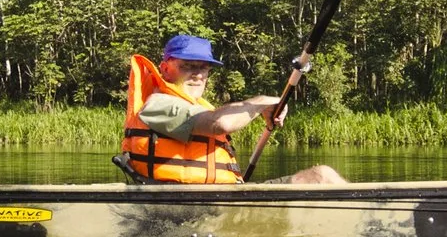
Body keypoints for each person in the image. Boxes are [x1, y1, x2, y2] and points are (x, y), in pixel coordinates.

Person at [120, 34, 346, 185]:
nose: (197, 74)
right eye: (187, 66)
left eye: (204, 68)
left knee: (322, 176)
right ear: (165, 69)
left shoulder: (202, 109)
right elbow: (220, 123)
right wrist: (262, 102)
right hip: (188, 206)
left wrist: (261, 108)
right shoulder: (157, 105)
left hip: (222, 198)